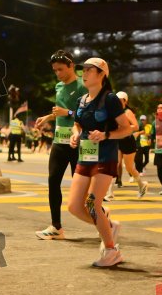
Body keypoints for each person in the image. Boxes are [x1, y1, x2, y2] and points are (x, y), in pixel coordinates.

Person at [66, 58, 132, 267]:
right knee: (74, 207)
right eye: (83, 70)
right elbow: (77, 124)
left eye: (89, 70)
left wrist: (106, 135)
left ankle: (112, 251)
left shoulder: (110, 99)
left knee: (92, 204)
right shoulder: (81, 100)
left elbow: (127, 128)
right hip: (85, 156)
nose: (84, 74)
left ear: (102, 74)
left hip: (105, 157)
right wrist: (75, 134)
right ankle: (108, 225)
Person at [34, 50, 86, 240]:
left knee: (81, 190)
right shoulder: (59, 86)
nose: (58, 74)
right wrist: (48, 117)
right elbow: (60, 111)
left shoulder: (82, 86)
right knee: (53, 181)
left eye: (61, 69)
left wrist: (68, 113)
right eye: (55, 70)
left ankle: (103, 220)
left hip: (77, 143)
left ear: (71, 65)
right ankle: (56, 227)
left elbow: (87, 113)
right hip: (59, 142)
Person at [106, 92, 147, 200]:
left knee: (129, 167)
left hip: (128, 141)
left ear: (125, 101)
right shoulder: (114, 112)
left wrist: (124, 128)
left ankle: (141, 185)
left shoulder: (127, 112)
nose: (118, 102)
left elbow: (136, 126)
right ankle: (110, 192)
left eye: (120, 100)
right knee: (115, 164)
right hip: (117, 140)